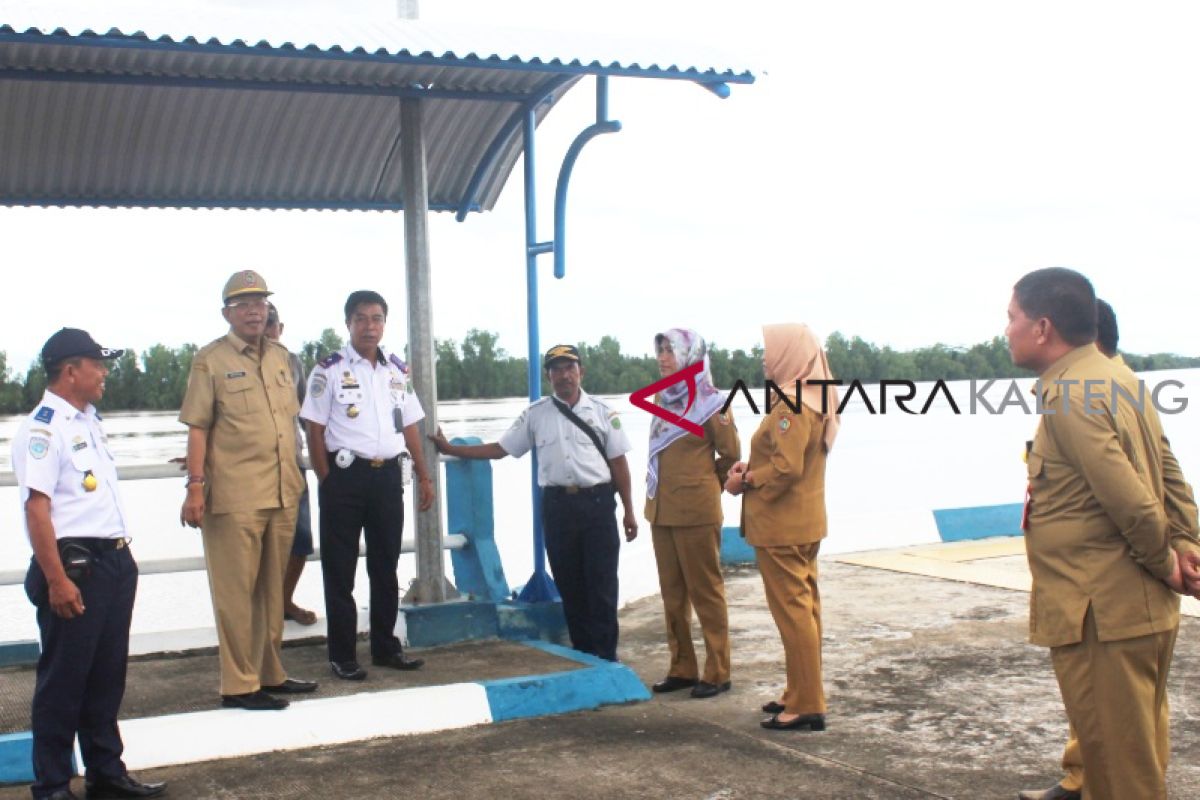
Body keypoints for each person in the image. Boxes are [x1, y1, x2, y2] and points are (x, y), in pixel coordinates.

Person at [1006, 268, 1200, 799]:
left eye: (1012, 318)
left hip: (1103, 613)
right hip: (1133, 609)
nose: (1007, 330)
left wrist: (1166, 561)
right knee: (1129, 759)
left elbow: (1130, 499)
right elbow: (1170, 471)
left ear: (1042, 327)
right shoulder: (1118, 378)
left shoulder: (1069, 396)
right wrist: (1187, 546)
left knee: (1119, 777)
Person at [13, 329, 165, 799]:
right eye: (97, 364)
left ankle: (105, 773)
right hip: (74, 565)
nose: (104, 373)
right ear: (70, 370)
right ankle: (54, 785)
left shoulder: (88, 420)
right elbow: (36, 509)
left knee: (106, 678)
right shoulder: (43, 428)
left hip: (113, 562)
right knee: (63, 682)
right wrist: (56, 579)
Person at [430, 344, 638, 661]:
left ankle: (607, 655)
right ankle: (583, 653)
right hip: (557, 507)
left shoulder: (602, 413)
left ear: (581, 371)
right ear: (548, 376)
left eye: (569, 368)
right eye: (556, 369)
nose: (563, 375)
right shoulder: (536, 414)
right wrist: (453, 449)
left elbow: (619, 465)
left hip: (597, 504)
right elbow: (501, 448)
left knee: (602, 583)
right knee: (569, 582)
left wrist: (629, 511)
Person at [179, 270, 317, 710]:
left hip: (282, 491)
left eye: (260, 302)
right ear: (227, 313)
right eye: (243, 304)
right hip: (235, 496)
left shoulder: (280, 357)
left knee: (271, 591)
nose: (254, 310)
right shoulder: (210, 360)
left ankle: (270, 672)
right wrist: (195, 487)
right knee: (236, 594)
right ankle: (239, 685)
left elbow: (292, 421)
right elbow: (198, 428)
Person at [300, 290, 434, 681]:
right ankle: (342, 655)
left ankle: (385, 646)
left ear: (384, 324)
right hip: (346, 477)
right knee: (340, 572)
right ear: (348, 324)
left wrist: (424, 475)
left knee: (385, 567)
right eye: (361, 319)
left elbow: (410, 426)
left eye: (376, 319)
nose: (369, 326)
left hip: (388, 478)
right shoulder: (329, 370)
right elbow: (315, 428)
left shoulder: (396, 371)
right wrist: (328, 481)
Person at [725, 323, 839, 732]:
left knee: (793, 615)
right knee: (804, 611)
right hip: (804, 522)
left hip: (782, 527)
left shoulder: (791, 404)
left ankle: (807, 703)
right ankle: (800, 691)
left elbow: (787, 467)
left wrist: (745, 480)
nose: (763, 358)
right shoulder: (817, 397)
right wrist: (754, 467)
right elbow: (794, 460)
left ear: (790, 354)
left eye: (769, 350)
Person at [644, 329, 740, 699]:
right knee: (672, 595)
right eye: (661, 351)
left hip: (696, 512)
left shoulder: (713, 402)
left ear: (689, 356)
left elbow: (730, 455)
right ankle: (682, 667)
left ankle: (718, 670)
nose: (663, 357)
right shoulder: (662, 398)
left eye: (670, 351)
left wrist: (704, 487)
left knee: (706, 592)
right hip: (661, 510)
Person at [264, 302, 317, 626]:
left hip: (292, 464)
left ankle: (284, 600)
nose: (268, 330)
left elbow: (308, 420)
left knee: (301, 539)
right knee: (257, 544)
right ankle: (263, 610)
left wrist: (325, 461)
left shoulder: (293, 363)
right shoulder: (225, 362)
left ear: (280, 329)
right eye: (263, 323)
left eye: (273, 324)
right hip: (252, 470)